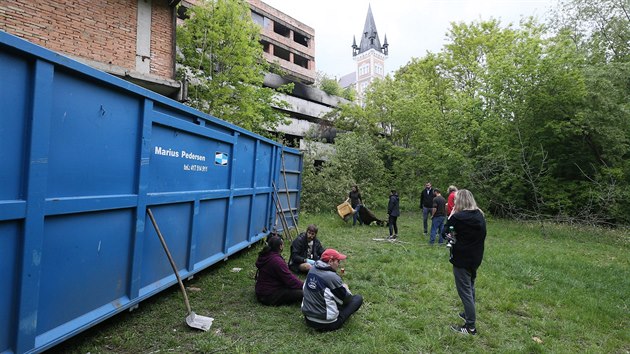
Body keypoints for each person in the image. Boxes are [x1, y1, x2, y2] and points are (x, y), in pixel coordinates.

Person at [444, 189, 486, 335]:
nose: (454, 202)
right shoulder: (480, 215)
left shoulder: (458, 217)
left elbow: (445, 231)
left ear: (459, 201)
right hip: (475, 258)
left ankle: (470, 327)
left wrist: (451, 215)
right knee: (470, 286)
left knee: (465, 292)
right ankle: (468, 314)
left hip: (462, 259)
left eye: (455, 200)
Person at [301, 249, 363, 331]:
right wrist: (346, 288)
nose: (339, 264)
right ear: (330, 261)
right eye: (338, 261)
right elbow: (346, 299)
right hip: (326, 323)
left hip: (308, 319)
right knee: (358, 298)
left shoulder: (312, 269)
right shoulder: (332, 277)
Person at [255, 236, 304, 306]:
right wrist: (304, 286)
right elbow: (290, 280)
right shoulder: (277, 261)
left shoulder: (266, 255)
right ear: (280, 246)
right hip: (268, 296)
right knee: (303, 293)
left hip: (261, 290)